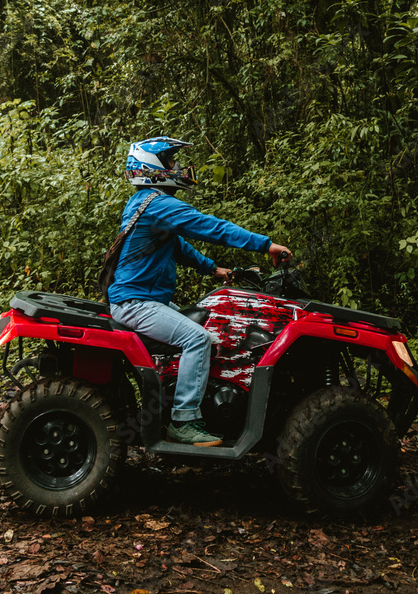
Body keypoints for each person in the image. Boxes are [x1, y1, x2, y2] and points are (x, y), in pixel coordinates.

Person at [108, 136, 292, 447]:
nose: (176, 167)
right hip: (136, 302)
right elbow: (210, 226)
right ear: (151, 167)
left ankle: (179, 401)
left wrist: (213, 269)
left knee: (208, 327)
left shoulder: (145, 203)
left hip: (141, 299)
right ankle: (183, 420)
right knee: (197, 338)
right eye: (169, 161)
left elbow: (178, 245)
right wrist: (265, 244)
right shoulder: (158, 203)